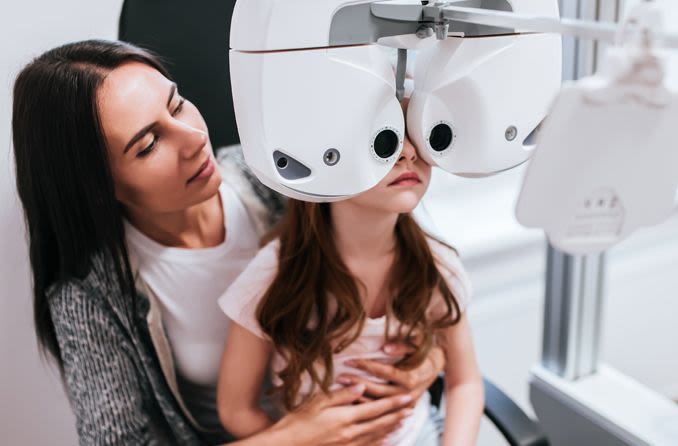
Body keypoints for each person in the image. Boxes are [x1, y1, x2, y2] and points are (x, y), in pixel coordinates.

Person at [12, 39, 446, 445]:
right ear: (98, 187)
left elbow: (417, 269)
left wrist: (425, 365)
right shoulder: (90, 294)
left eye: (177, 105)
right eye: (149, 144)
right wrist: (293, 437)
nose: (195, 139)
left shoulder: (284, 171)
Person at [216, 129, 485, 445]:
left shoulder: (436, 266)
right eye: (384, 139)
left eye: (417, 134)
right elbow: (236, 410)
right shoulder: (274, 275)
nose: (408, 152)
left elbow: (464, 382)